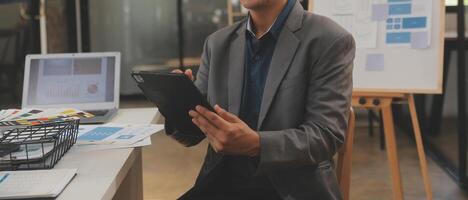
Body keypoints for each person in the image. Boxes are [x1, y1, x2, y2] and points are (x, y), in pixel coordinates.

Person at [167, 0, 356, 199]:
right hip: (221, 184)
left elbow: (325, 136)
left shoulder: (329, 40)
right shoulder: (217, 43)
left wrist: (257, 144)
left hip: (294, 190)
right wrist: (177, 104)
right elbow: (193, 133)